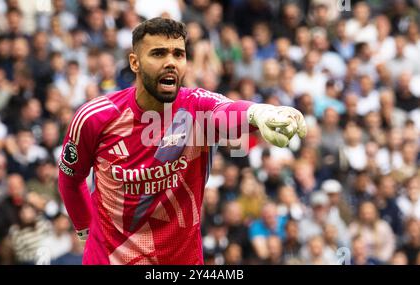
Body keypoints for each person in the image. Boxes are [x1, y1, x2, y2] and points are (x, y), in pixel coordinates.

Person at [58, 17, 307, 265]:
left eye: (178, 54)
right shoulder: (96, 117)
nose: (170, 63)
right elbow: (71, 177)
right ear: (134, 62)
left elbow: (227, 112)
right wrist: (84, 228)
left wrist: (258, 113)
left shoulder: (197, 106)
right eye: (158, 53)